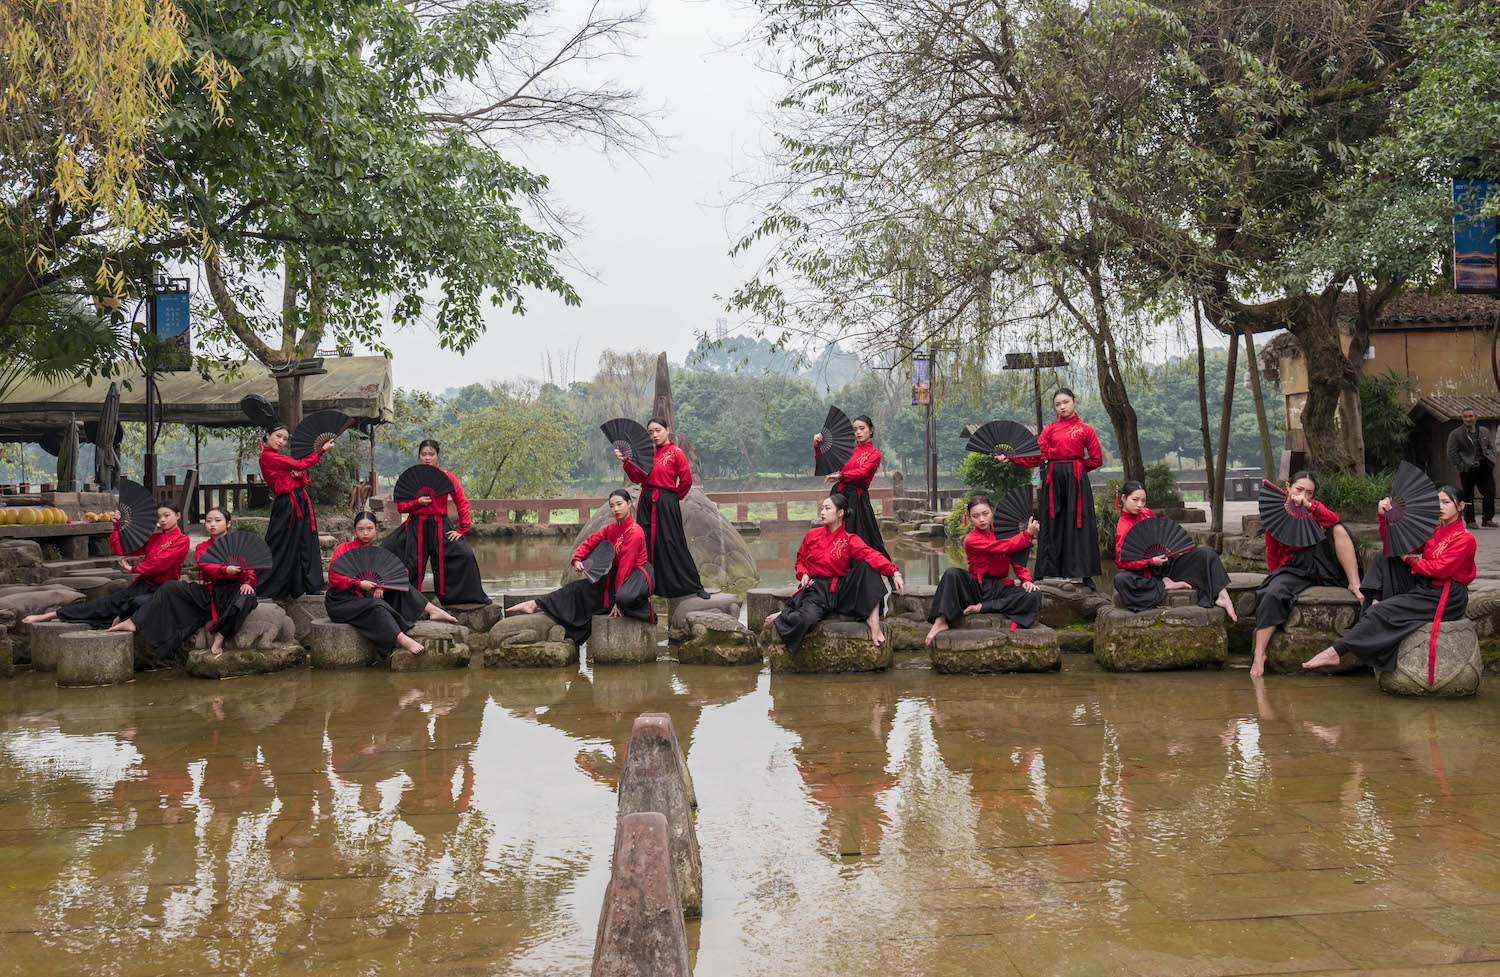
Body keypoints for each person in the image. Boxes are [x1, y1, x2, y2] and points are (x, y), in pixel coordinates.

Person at [1302, 485, 1475, 672]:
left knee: (1380, 610)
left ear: (1461, 506)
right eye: (1437, 502)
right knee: (1385, 556)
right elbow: (1394, 546)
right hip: (1427, 586)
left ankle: (1336, 652)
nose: (1440, 506)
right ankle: (1377, 600)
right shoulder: (1435, 531)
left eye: (1446, 502)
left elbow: (1438, 570)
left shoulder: (1465, 539)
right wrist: (1384, 518)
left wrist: (1407, 559)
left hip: (1447, 596)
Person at [1249, 471, 1363, 677]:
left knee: (1337, 528)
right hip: (1293, 567)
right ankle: (1259, 654)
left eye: (1309, 492)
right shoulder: (1277, 514)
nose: (1303, 495)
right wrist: (1276, 576)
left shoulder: (1313, 508)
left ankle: (1354, 583)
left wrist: (1310, 506)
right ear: (1288, 488)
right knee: (1272, 593)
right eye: (1299, 489)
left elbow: (1333, 519)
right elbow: (1272, 552)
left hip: (1321, 562)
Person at [510, 489, 655, 645]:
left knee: (621, 598)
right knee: (577, 589)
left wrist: (616, 603)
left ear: (629, 504)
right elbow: (591, 541)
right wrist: (578, 558)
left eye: (619, 504)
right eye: (612, 506)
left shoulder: (634, 532)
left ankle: (641, 609)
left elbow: (626, 566)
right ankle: (535, 604)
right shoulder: (612, 528)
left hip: (637, 576)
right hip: (618, 574)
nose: (616, 509)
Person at [109, 507, 258, 659]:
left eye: (217, 520)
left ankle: (220, 635)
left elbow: (249, 570)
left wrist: (247, 582)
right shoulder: (202, 547)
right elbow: (205, 566)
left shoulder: (240, 545)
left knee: (248, 596)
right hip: (210, 592)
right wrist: (224, 570)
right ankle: (134, 622)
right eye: (208, 521)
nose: (212, 524)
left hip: (234, 591)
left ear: (228, 524)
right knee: (170, 586)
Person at [765, 493, 905, 652]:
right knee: (807, 620)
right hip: (816, 588)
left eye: (827, 508)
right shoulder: (812, 535)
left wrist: (894, 572)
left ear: (840, 513)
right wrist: (803, 573)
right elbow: (800, 561)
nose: (822, 512)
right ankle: (784, 615)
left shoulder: (850, 539)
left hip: (840, 588)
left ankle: (874, 621)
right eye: (822, 508)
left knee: (868, 567)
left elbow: (871, 554)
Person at [995, 388, 1102, 587]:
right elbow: (1037, 455)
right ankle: (1042, 572)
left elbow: (1096, 459)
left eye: (1066, 402)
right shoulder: (1050, 429)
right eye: (1057, 404)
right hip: (1053, 479)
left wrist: (1075, 468)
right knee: (1050, 522)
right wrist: (1011, 458)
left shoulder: (1086, 429)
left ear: (1074, 402)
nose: (1062, 407)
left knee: (1080, 523)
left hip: (1077, 481)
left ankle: (1086, 574)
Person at [23, 501, 189, 628]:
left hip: (164, 590)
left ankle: (120, 618)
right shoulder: (154, 538)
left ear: (178, 516)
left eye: (167, 515)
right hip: (144, 585)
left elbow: (161, 563)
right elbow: (122, 548)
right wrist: (116, 526)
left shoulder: (183, 540)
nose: (162, 520)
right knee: (105, 604)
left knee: (135, 603)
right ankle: (51, 615)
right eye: (159, 517)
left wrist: (134, 569)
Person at [327, 512, 460, 658]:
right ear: (355, 530)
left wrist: (382, 585)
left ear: (376, 529)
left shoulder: (377, 553)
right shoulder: (344, 548)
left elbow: (400, 572)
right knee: (377, 606)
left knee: (400, 587)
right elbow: (334, 577)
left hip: (364, 596)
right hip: (341, 601)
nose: (365, 533)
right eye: (361, 529)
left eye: (369, 528)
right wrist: (358, 584)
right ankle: (402, 639)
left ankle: (432, 610)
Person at [381, 439, 491, 606]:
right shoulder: (413, 477)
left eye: (431, 454)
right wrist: (417, 502)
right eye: (424, 454)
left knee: (465, 554)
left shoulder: (447, 477)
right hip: (415, 526)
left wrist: (462, 529)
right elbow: (401, 507)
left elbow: (462, 502)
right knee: (395, 554)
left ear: (437, 456)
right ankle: (409, 603)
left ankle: (454, 599)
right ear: (419, 456)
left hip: (441, 525)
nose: (427, 458)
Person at [924, 494, 1042, 645]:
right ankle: (941, 620)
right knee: (952, 573)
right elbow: (1001, 547)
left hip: (999, 587)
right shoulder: (971, 539)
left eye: (985, 514)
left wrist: (1026, 580)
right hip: (977, 588)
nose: (981, 519)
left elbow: (1017, 559)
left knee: (1034, 594)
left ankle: (980, 608)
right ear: (969, 518)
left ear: (992, 512)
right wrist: (1027, 534)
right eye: (975, 516)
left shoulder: (1004, 532)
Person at [1113, 481, 1237, 619]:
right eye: (1135, 500)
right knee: (1121, 580)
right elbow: (1121, 563)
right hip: (1146, 574)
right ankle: (1164, 585)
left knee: (1206, 553)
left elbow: (1160, 536)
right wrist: (1150, 561)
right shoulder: (1123, 528)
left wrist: (1167, 548)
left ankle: (1222, 595)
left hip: (1167, 566)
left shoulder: (1146, 513)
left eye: (1143, 500)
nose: (1139, 505)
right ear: (1123, 498)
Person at [618, 416, 709, 599]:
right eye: (650, 432)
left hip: (666, 502)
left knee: (672, 541)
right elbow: (637, 478)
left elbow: (686, 480)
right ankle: (649, 584)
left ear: (667, 430)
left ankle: (694, 584)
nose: (654, 435)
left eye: (658, 430)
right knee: (646, 542)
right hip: (646, 501)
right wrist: (626, 461)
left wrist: (673, 498)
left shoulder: (676, 453)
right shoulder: (647, 454)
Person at [257, 422, 334, 599]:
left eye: (285, 439)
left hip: (298, 500)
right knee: (280, 543)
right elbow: (299, 465)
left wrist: (299, 476)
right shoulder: (269, 456)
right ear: (267, 435)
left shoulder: (276, 457)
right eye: (278, 436)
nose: (281, 441)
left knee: (306, 540)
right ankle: (264, 582)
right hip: (288, 504)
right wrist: (321, 451)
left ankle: (310, 584)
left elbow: (301, 476)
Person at [814, 413, 888, 557]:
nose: (858, 432)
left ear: (871, 430)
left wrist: (842, 475)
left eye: (862, 428)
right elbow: (824, 463)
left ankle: (864, 572)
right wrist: (817, 446)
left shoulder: (875, 453)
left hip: (857, 498)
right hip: (839, 495)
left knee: (860, 536)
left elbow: (863, 472)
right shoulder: (848, 452)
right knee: (834, 533)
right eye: (855, 429)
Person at [1446, 407, 1496, 529]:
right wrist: (1461, 466)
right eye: (1465, 417)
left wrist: (1491, 459)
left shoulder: (1484, 431)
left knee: (1489, 492)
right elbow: (1451, 453)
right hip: (1467, 468)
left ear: (1476, 417)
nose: (1468, 419)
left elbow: (1490, 447)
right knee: (1468, 495)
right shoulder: (1456, 434)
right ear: (1462, 418)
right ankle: (1469, 520)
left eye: (1470, 416)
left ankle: (1487, 519)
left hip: (1484, 466)